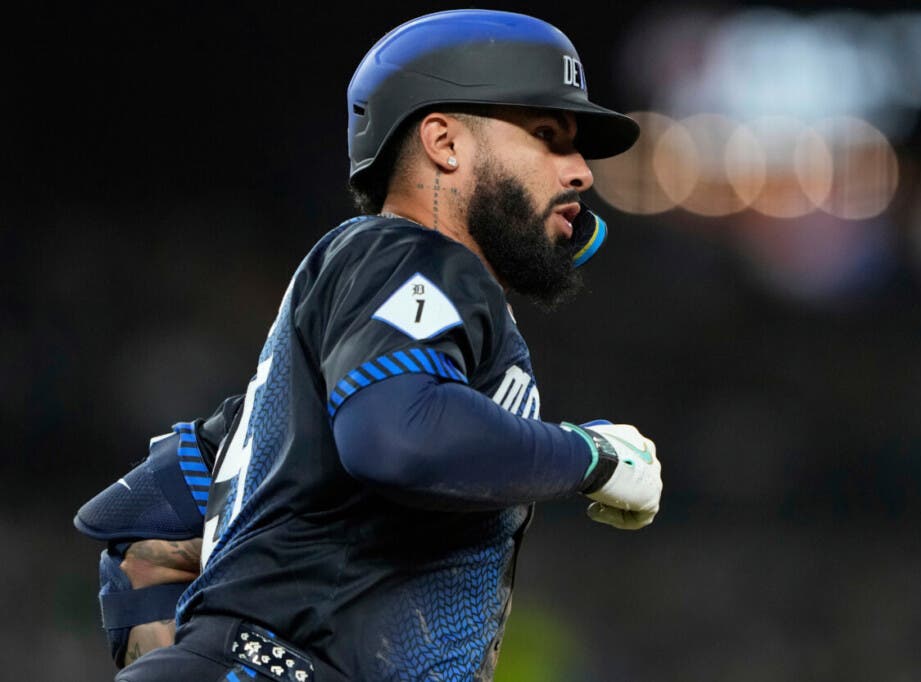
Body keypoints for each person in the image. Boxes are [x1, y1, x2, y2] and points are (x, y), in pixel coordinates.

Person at [74, 9, 663, 681]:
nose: (582, 172)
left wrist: (194, 665)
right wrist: (593, 455)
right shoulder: (412, 254)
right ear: (445, 142)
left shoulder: (284, 413)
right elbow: (400, 437)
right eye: (548, 136)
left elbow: (140, 537)